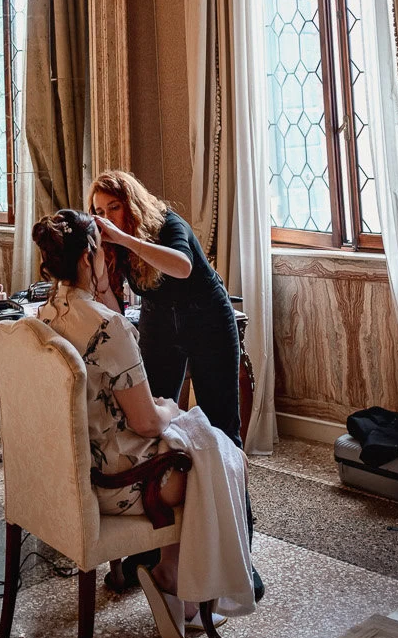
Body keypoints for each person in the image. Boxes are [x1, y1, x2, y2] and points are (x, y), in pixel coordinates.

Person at [88, 170, 266, 601]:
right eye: (98, 211)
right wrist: (98, 267)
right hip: (159, 326)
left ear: (131, 203)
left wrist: (123, 238)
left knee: (222, 431)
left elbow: (183, 267)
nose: (106, 217)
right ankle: (155, 550)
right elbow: (113, 304)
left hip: (207, 319)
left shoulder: (168, 224)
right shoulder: (114, 245)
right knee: (153, 426)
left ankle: (241, 553)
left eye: (114, 207)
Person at [31, 208, 193, 638]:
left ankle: (180, 582)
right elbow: (143, 422)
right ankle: (174, 577)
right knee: (211, 457)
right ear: (90, 258)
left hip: (66, 473)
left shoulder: (40, 320)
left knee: (199, 443)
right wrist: (169, 409)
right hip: (113, 482)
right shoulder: (110, 328)